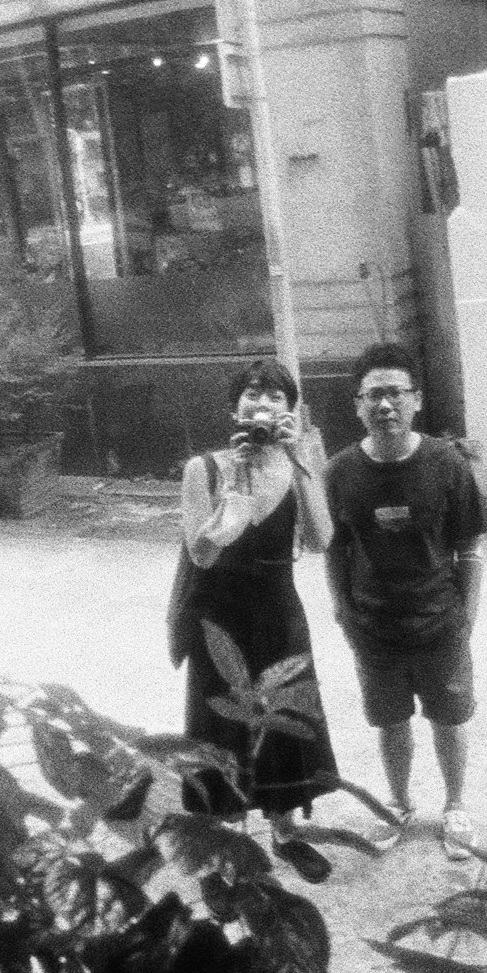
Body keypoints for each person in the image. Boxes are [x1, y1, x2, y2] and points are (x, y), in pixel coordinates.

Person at [322, 342, 486, 855]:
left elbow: (469, 547)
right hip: (374, 630)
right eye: (373, 395)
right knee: (389, 722)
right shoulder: (340, 472)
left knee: (449, 719)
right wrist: (344, 613)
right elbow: (335, 550)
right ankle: (398, 804)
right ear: (357, 405)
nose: (385, 405)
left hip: (441, 623)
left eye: (395, 393)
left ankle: (455, 808)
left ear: (416, 400)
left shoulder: (446, 464)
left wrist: (467, 617)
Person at [168, 357, 335, 836]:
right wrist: (233, 491)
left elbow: (322, 539)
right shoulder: (205, 468)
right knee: (219, 716)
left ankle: (284, 819)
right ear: (234, 408)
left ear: (289, 411)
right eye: (252, 393)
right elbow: (201, 556)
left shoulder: (298, 463)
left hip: (279, 608)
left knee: (283, 711)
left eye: (276, 396)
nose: (263, 403)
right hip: (219, 614)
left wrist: (299, 460)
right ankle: (225, 823)